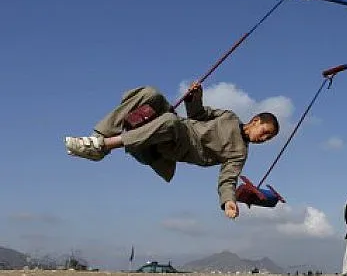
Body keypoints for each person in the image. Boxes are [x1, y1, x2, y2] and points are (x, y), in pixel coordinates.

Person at [64, 83, 279, 219]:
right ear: (255, 120)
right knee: (152, 93)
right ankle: (98, 139)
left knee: (169, 122)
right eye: (265, 132)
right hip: (181, 125)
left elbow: (228, 179)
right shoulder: (229, 116)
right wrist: (195, 96)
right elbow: (198, 115)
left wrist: (228, 201)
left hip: (183, 145)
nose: (265, 139)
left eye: (269, 138)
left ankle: (102, 146)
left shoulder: (239, 152)